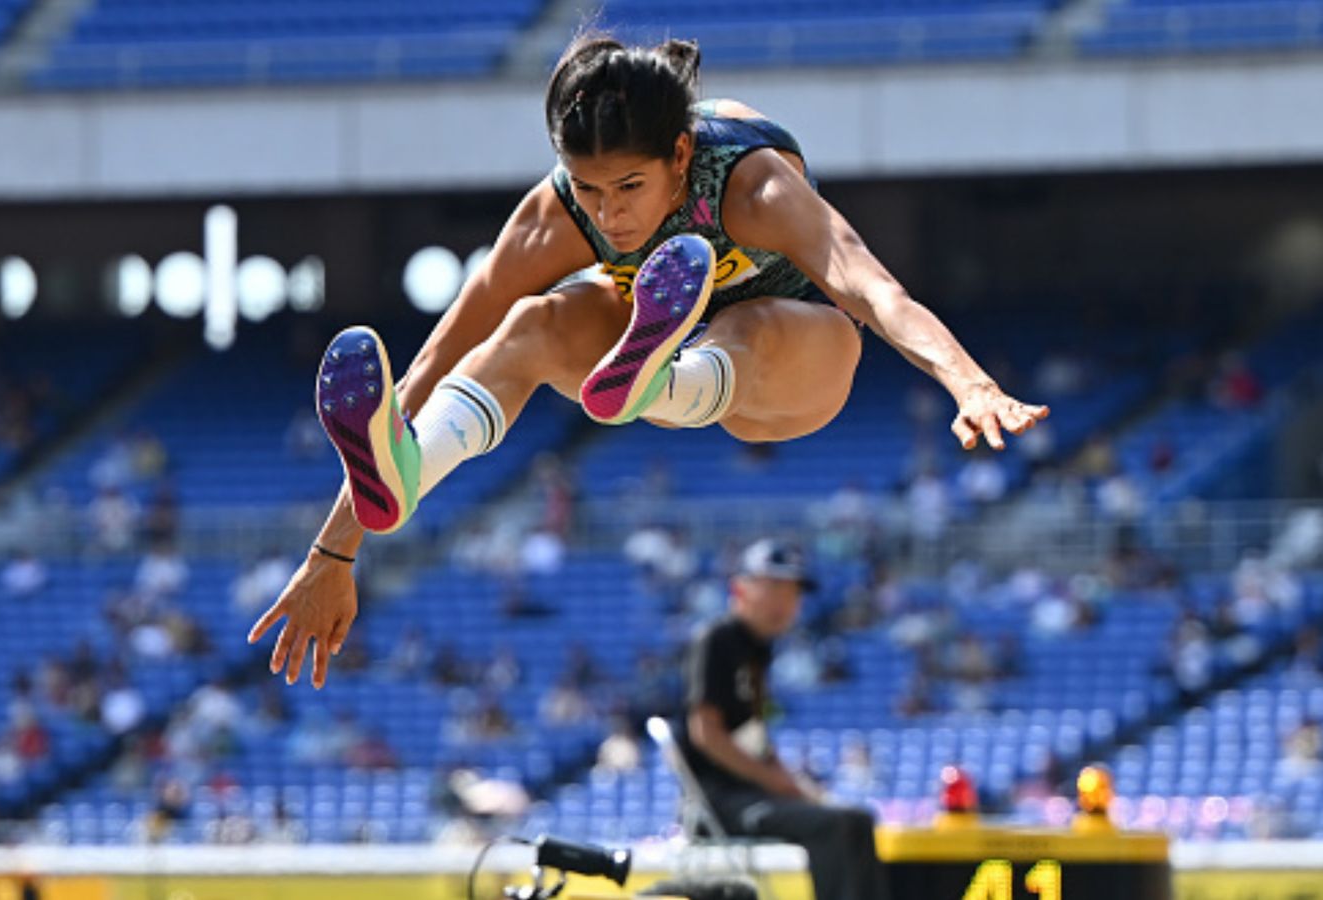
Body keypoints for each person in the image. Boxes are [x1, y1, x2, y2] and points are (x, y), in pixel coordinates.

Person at [250, 32, 1048, 688]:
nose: (610, 212)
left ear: (679, 152)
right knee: (531, 322)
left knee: (762, 325)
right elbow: (438, 355)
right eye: (589, 189)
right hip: (649, 349)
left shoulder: (753, 185)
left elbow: (873, 290)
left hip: (793, 369)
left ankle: (660, 374)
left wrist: (969, 383)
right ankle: (416, 467)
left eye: (629, 186)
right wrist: (336, 548)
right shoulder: (553, 215)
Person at [676, 539, 890, 900]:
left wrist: (797, 785)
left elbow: (753, 736)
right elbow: (706, 733)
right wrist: (776, 782)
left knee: (856, 819)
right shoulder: (718, 638)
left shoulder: (758, 649)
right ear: (740, 588)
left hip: (749, 794)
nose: (785, 601)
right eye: (774, 586)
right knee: (832, 826)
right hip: (717, 803)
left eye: (792, 591)